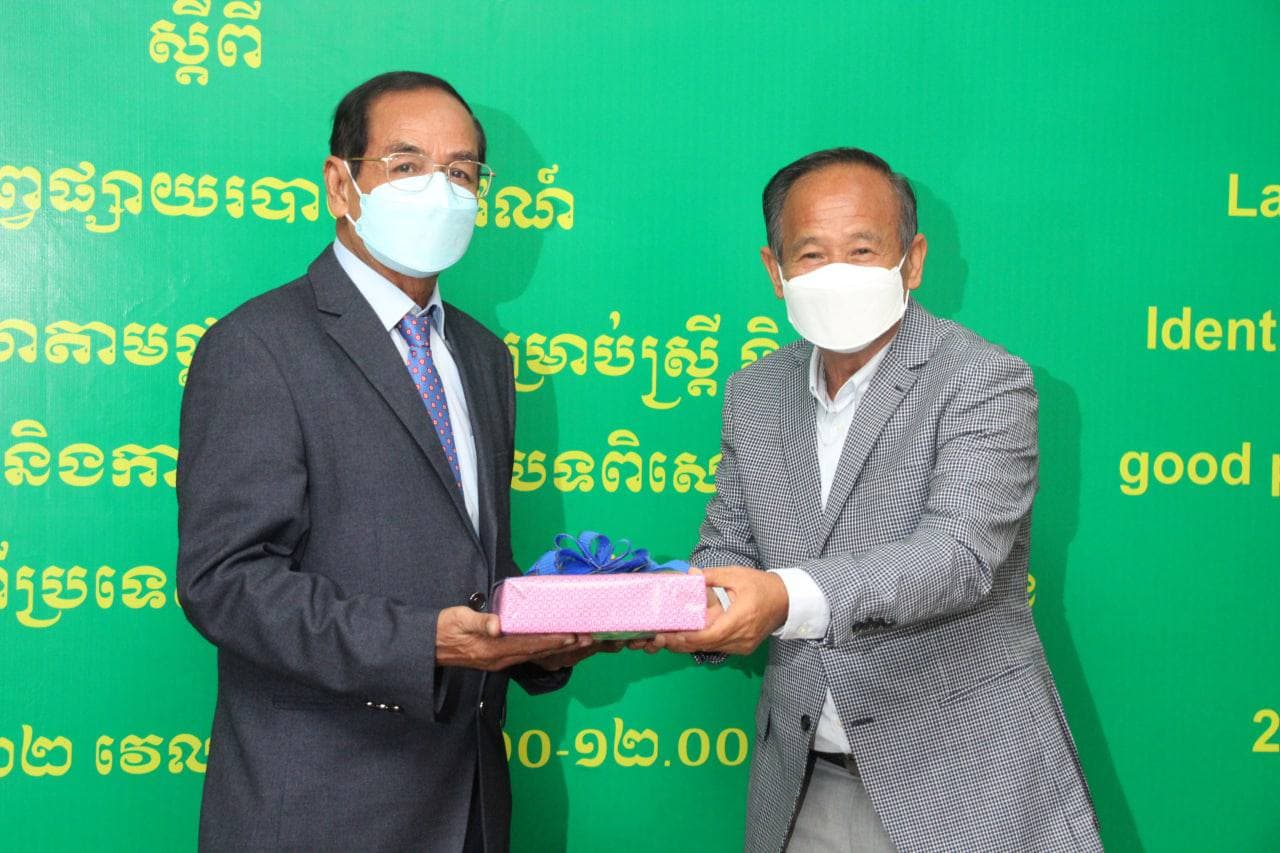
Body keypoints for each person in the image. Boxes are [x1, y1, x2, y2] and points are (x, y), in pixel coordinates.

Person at [176, 71, 597, 852]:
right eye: (406, 166)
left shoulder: (483, 356)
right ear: (341, 184)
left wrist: (549, 628)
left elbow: (472, 563)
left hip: (470, 801)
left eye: (462, 172)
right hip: (323, 809)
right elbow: (226, 583)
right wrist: (425, 641)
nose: (439, 190)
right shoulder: (258, 345)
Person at [652, 148, 1102, 851]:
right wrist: (674, 606)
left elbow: (957, 557)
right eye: (811, 254)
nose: (837, 272)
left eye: (862, 250)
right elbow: (729, 547)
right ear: (775, 271)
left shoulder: (984, 378)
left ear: (912, 261)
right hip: (805, 779)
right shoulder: (754, 393)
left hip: (966, 780)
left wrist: (782, 597)